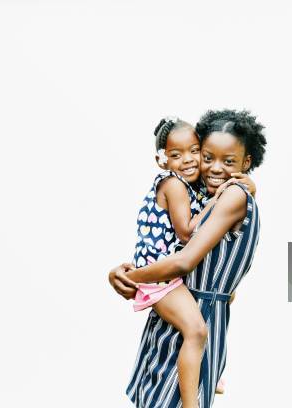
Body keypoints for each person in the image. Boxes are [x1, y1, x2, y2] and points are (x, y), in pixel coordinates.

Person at [109, 109, 266, 408]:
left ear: (247, 162)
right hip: (173, 321)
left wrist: (128, 277)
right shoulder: (202, 195)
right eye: (207, 157)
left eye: (228, 161)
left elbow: (184, 261)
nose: (214, 168)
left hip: (196, 321)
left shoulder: (233, 196)